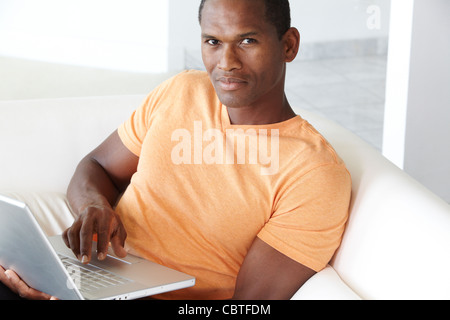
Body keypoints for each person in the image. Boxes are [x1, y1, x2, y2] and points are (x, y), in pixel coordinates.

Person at [0, 0, 351, 300]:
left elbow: (247, 304)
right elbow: (96, 166)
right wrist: (94, 206)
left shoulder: (315, 174)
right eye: (213, 41)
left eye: (247, 40)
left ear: (288, 45)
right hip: (81, 279)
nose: (226, 62)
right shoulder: (181, 91)